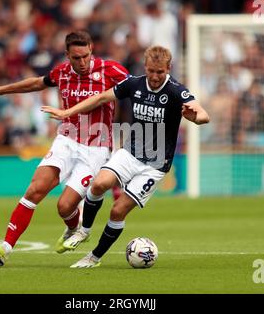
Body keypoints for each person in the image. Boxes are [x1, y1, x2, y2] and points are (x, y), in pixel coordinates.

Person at [42, 45, 209, 268]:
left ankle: (94, 257)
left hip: (155, 165)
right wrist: (66, 112)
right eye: (151, 71)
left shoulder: (176, 91)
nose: (155, 76)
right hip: (130, 153)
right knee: (98, 184)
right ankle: (84, 231)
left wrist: (195, 117)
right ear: (145, 67)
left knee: (118, 210)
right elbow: (101, 98)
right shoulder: (134, 84)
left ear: (168, 69)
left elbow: (203, 114)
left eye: (160, 72)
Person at [0, 31, 128, 266]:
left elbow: (138, 88)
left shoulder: (110, 70)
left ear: (91, 49)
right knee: (34, 189)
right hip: (66, 141)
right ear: (67, 54)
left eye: (86, 56)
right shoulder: (62, 72)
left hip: (95, 149)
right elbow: (37, 83)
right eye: (76, 57)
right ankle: (5, 247)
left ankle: (73, 227)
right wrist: (1, 89)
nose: (82, 62)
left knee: (64, 206)